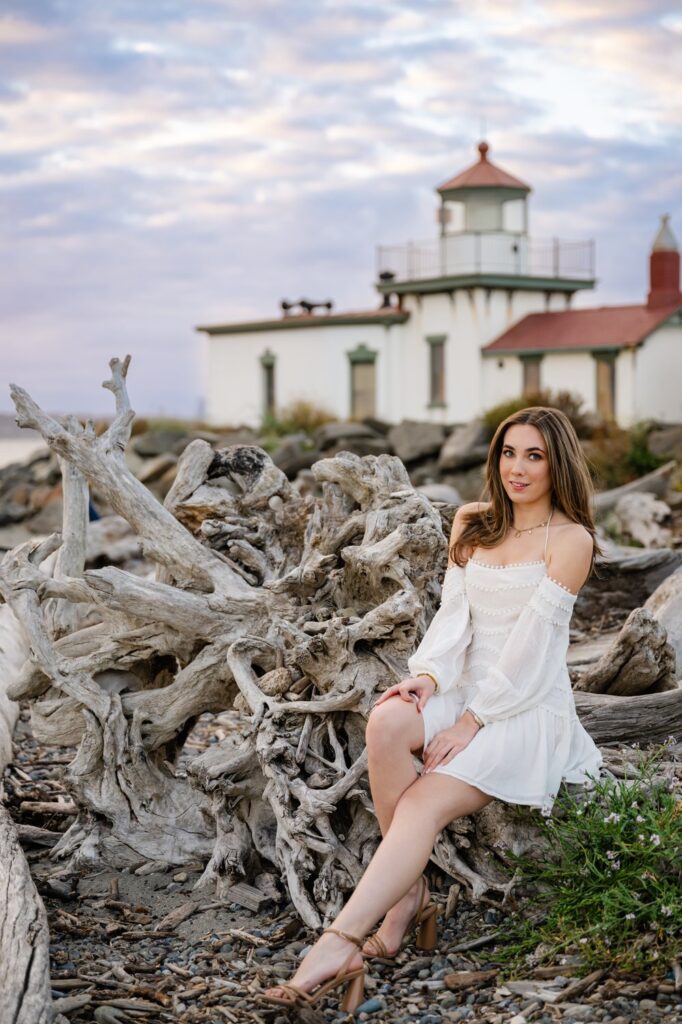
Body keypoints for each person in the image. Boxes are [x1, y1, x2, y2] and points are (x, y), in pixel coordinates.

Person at [259, 406, 604, 1011]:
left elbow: (533, 649)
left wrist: (475, 722)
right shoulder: (473, 522)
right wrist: (427, 676)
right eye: (507, 452)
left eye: (534, 456)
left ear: (558, 465)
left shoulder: (571, 540)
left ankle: (340, 940)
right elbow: (453, 619)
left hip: (523, 706)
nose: (516, 468)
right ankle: (410, 891)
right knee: (387, 719)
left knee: (421, 800)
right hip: (463, 688)